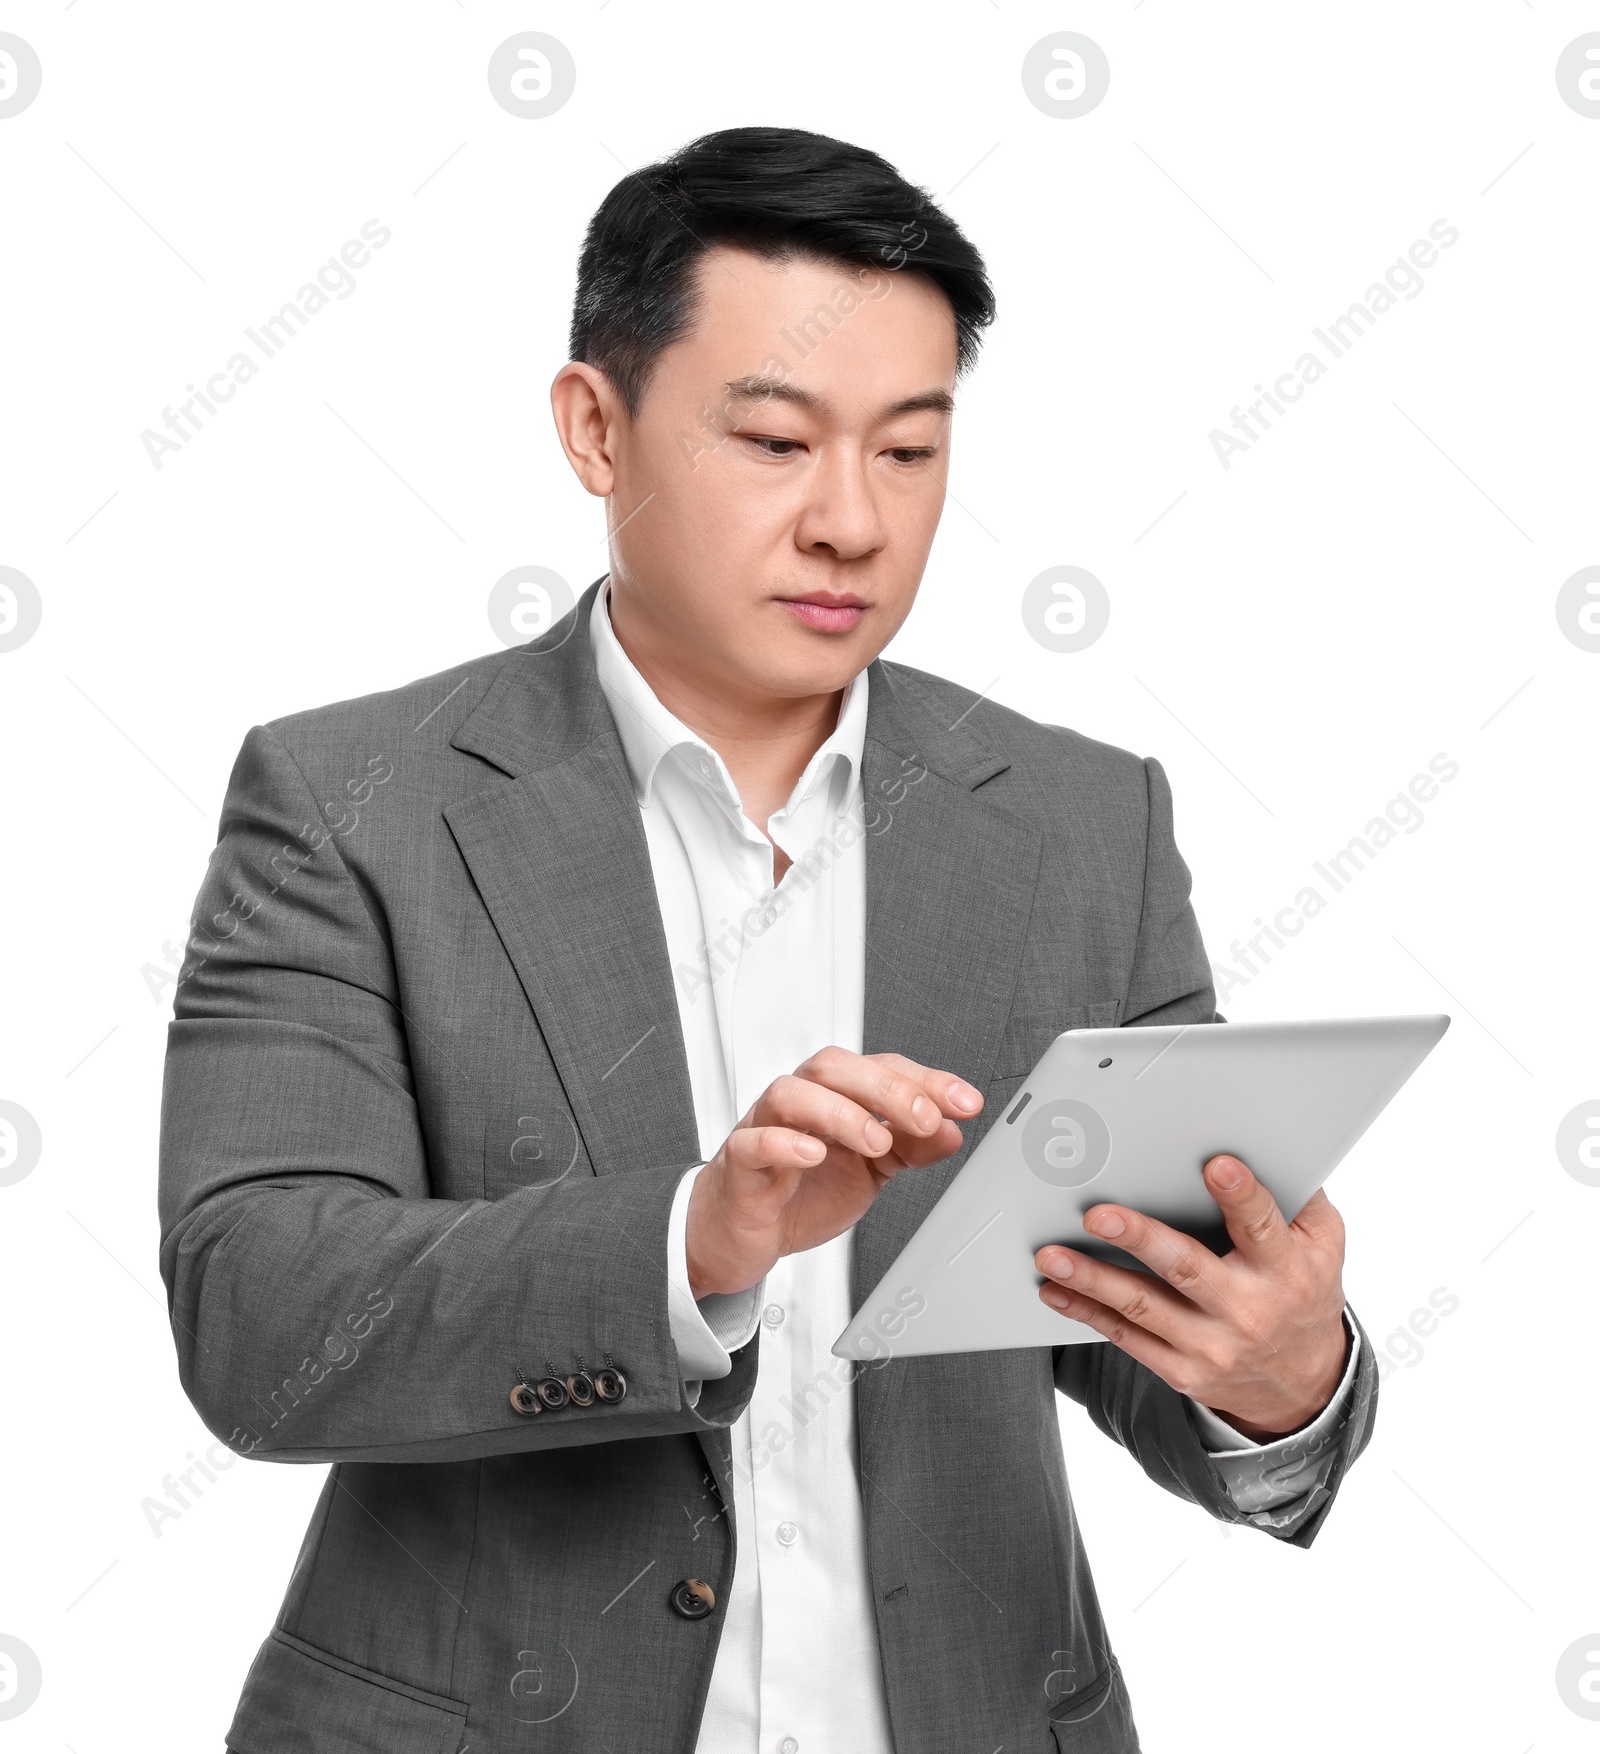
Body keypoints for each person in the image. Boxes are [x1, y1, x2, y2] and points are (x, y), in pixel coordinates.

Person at [160, 126, 1373, 1754]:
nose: (851, 524)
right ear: (597, 428)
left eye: (909, 452)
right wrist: (688, 1247)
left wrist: (1280, 1372)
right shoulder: (348, 803)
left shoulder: (1087, 822)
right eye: (777, 440)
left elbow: (1135, 1310)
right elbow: (261, 1317)